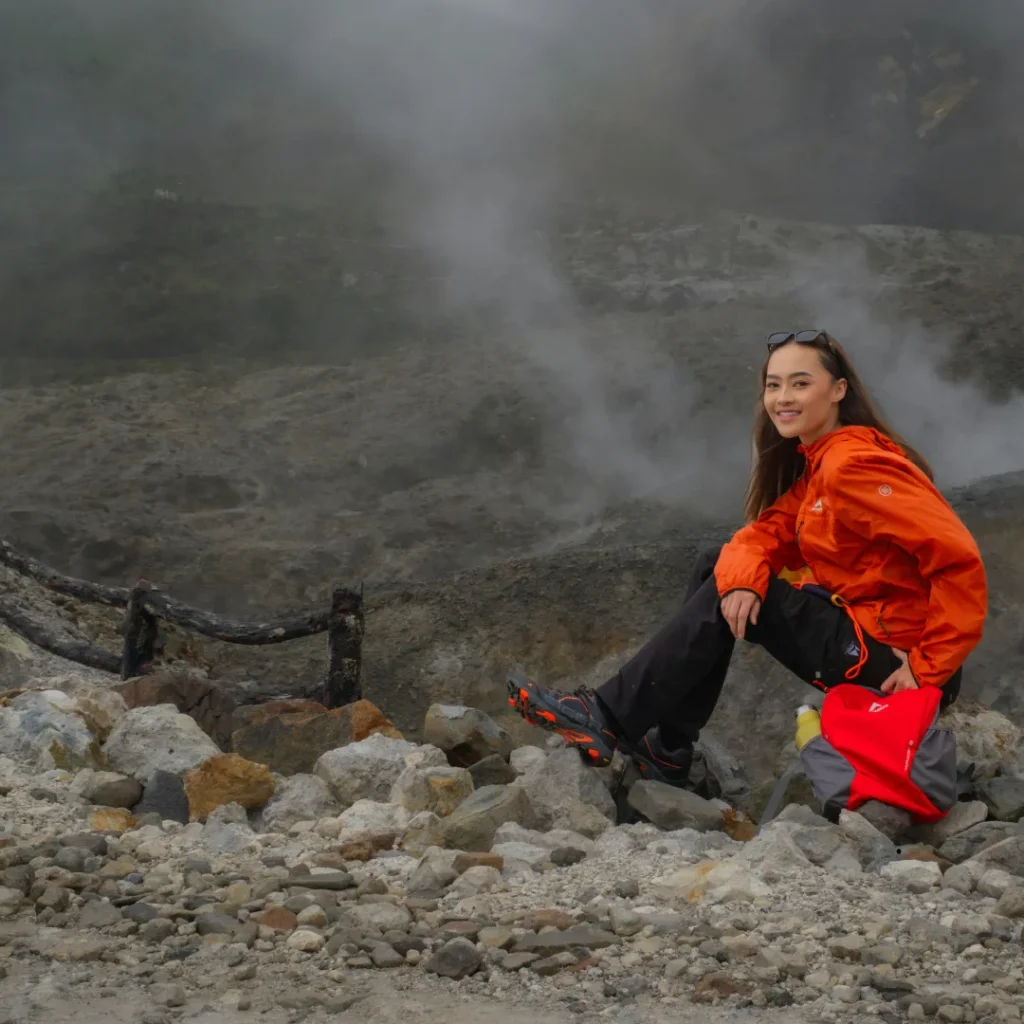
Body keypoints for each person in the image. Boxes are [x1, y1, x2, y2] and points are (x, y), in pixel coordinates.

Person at [506, 330, 988, 787]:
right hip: (870, 640)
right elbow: (761, 535)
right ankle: (668, 750)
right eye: (773, 385)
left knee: (721, 581)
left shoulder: (852, 466)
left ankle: (607, 715)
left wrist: (926, 671)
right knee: (715, 565)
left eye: (801, 383)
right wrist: (741, 581)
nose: (783, 398)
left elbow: (958, 561)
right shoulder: (823, 464)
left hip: (895, 667)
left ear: (839, 390)